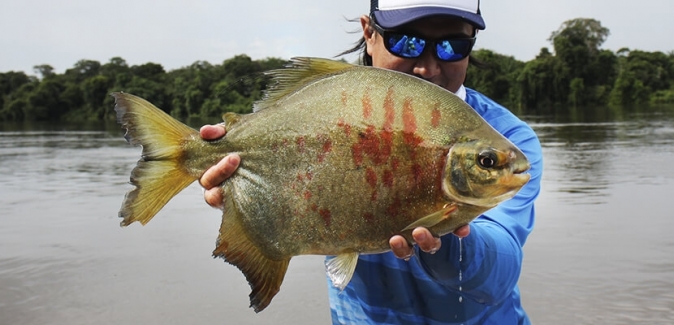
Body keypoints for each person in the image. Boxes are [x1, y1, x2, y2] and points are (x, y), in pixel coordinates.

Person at [199, 0, 543, 324]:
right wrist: (245, 198)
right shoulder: (331, 105)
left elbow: (497, 275)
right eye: (407, 42)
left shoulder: (508, 139)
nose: (427, 66)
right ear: (369, 32)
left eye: (452, 46)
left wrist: (446, 237)